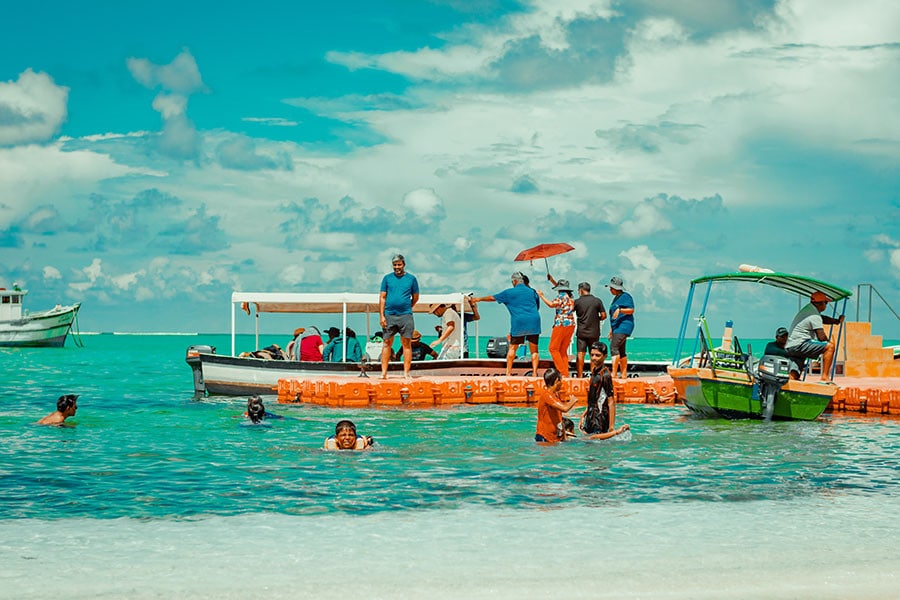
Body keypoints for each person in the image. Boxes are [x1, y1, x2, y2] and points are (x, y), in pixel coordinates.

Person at [471, 271, 541, 376]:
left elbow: (492, 298)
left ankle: (508, 373)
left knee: (513, 347)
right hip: (534, 320)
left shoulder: (509, 293)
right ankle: (535, 373)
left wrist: (478, 299)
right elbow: (537, 306)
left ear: (515, 281)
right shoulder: (532, 291)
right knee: (534, 350)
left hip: (519, 321)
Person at [785, 291, 845, 383]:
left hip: (791, 346)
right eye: (826, 303)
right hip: (800, 344)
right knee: (830, 347)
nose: (826, 305)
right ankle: (825, 377)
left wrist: (837, 321)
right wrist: (828, 346)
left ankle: (791, 383)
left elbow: (823, 319)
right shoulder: (814, 315)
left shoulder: (809, 310)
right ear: (820, 303)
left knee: (794, 375)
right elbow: (821, 336)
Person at [379, 254, 419, 379]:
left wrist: (407, 307)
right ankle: (384, 373)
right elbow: (382, 297)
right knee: (386, 342)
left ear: (404, 264)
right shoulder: (387, 278)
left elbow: (416, 297)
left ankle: (406, 373)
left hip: (405, 315)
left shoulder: (411, 279)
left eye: (399, 264)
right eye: (395, 265)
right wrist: (382, 316)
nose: (397, 267)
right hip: (389, 314)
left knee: (406, 343)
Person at [579, 342, 630, 440]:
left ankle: (617, 432)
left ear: (605, 356)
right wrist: (584, 415)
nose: (594, 358)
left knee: (595, 441)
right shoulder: (594, 371)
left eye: (598, 355)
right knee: (587, 443)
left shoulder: (605, 375)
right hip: (590, 416)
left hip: (600, 417)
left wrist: (611, 427)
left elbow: (611, 401)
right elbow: (594, 398)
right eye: (592, 355)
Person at [537, 279, 576, 376]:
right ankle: (565, 372)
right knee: (563, 350)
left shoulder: (561, 296)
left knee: (553, 348)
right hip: (571, 324)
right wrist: (551, 280)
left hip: (561, 324)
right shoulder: (570, 298)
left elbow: (551, 304)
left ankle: (562, 373)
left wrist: (541, 296)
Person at [534, 367, 580, 443]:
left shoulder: (556, 394)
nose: (562, 383)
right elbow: (565, 409)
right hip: (544, 437)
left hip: (554, 438)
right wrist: (572, 401)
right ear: (556, 381)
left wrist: (564, 435)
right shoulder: (547, 395)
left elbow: (559, 416)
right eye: (561, 380)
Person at [572, 281, 607, 378]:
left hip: (582, 331)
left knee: (580, 354)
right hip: (594, 332)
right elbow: (604, 316)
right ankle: (593, 375)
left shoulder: (577, 302)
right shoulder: (597, 301)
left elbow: (569, 312)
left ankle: (579, 376)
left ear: (581, 290)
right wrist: (596, 319)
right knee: (594, 354)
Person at [606, 276, 635, 379]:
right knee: (621, 350)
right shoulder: (615, 299)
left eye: (611, 288)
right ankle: (623, 374)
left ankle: (614, 373)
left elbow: (631, 310)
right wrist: (611, 330)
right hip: (616, 327)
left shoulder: (626, 296)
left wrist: (621, 310)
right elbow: (613, 316)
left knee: (614, 347)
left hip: (624, 326)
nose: (610, 290)